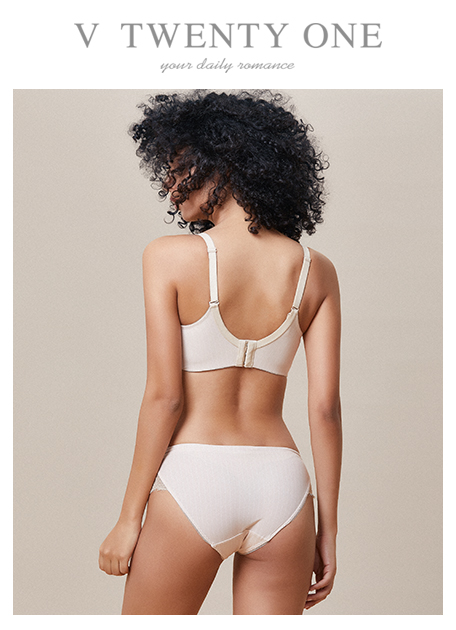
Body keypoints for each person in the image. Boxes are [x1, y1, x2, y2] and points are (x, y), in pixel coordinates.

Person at [98, 90, 342, 615]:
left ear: (223, 164)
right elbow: (325, 409)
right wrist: (327, 530)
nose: (169, 187)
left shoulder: (168, 257)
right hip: (283, 486)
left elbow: (165, 398)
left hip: (195, 477)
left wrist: (128, 519)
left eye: (179, 168)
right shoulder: (315, 270)